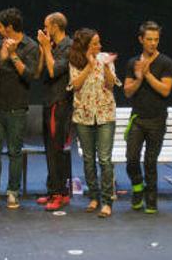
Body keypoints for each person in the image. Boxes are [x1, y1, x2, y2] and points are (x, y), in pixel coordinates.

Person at [0, 8, 38, 210]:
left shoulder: (30, 46)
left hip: (17, 106)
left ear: (9, 27)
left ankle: (13, 191)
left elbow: (30, 75)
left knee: (15, 152)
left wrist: (14, 55)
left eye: (0, 27)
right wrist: (2, 55)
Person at [123, 21, 172, 214]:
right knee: (131, 159)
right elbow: (127, 92)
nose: (153, 43)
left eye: (156, 39)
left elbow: (165, 90)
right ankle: (137, 189)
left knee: (150, 162)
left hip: (157, 120)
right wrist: (138, 77)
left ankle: (151, 199)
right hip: (137, 118)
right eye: (149, 40)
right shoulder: (132, 63)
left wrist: (147, 75)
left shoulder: (166, 62)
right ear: (141, 40)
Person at [69, 28, 120, 218]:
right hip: (84, 115)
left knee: (104, 159)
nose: (99, 46)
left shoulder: (105, 57)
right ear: (85, 46)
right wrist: (89, 66)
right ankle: (94, 197)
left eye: (99, 42)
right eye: (95, 43)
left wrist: (106, 66)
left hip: (105, 114)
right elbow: (75, 85)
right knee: (88, 159)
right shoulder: (75, 60)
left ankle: (107, 201)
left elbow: (111, 84)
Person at [35, 12, 74, 212]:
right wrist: (44, 48)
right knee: (50, 147)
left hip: (59, 103)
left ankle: (59, 193)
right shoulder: (54, 46)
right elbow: (40, 70)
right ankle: (54, 190)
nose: (44, 30)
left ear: (55, 27)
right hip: (49, 100)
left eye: (46, 26)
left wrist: (45, 47)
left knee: (56, 148)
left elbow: (53, 71)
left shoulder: (68, 46)